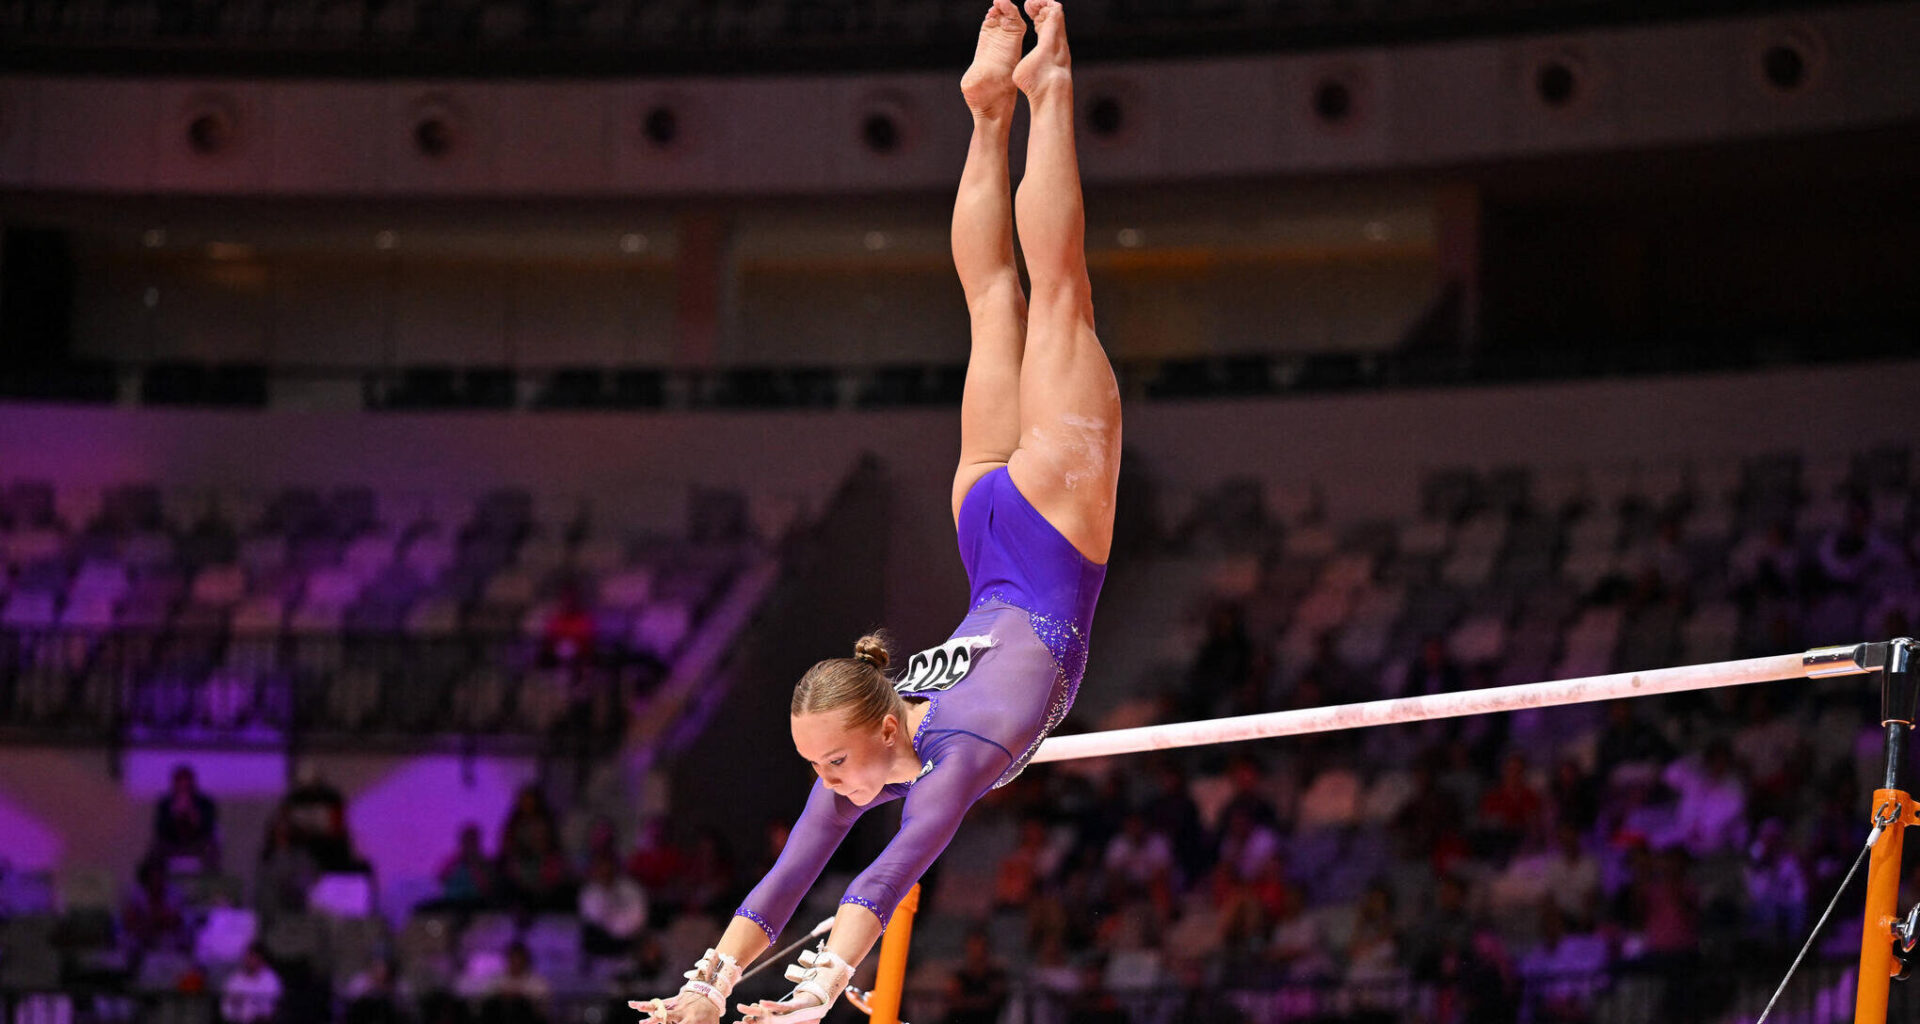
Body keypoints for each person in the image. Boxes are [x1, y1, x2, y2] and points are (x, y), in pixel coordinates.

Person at [634, 3, 1120, 1021]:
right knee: (1000, 300)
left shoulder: (962, 743)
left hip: (1035, 529)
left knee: (1047, 294)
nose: (828, 783)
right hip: (993, 532)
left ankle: (1045, 90)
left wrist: (823, 979)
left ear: (884, 718)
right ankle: (986, 114)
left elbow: (898, 861)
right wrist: (707, 983)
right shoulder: (873, 743)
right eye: (819, 765)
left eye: (835, 762)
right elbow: (790, 873)